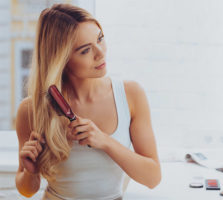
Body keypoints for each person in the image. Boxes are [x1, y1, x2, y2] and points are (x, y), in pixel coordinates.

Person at [15, 3, 161, 200]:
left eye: (100, 39)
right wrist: (30, 171)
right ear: (62, 59)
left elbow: (153, 178)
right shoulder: (31, 110)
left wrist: (105, 141)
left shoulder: (130, 94)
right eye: (85, 50)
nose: (100, 53)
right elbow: (27, 190)